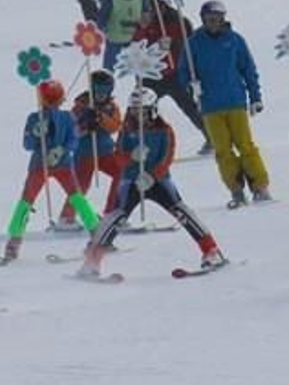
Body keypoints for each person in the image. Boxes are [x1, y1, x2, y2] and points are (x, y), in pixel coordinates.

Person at [77, 89, 227, 277]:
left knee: (181, 210)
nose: (139, 116)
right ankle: (92, 260)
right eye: (134, 111)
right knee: (116, 217)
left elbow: (167, 157)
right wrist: (131, 157)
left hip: (158, 180)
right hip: (132, 180)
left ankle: (211, 250)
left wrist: (154, 175)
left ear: (153, 110)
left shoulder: (164, 130)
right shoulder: (127, 130)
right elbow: (118, 155)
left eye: (143, 111)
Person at [0, 80, 100, 262]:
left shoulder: (66, 118)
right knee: (68, 199)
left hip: (60, 164)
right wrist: (38, 133)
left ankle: (14, 241)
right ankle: (97, 235)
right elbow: (29, 144)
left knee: (30, 201)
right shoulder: (36, 119)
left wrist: (60, 150)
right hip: (41, 164)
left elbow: (72, 141)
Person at [180, 0, 271, 206]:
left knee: (246, 146)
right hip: (210, 106)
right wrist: (190, 85)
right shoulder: (194, 42)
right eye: (209, 19)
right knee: (223, 150)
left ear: (223, 19)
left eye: (218, 18)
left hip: (235, 102)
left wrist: (255, 97)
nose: (214, 22)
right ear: (203, 19)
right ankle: (236, 190)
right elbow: (183, 71)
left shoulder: (235, 40)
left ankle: (260, 186)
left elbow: (248, 69)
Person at [130, 0, 211, 153]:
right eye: (151, 9)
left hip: (175, 74)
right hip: (151, 75)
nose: (154, 12)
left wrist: (173, 44)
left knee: (190, 107)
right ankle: (132, 142)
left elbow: (190, 45)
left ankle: (212, 138)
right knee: (139, 108)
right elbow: (136, 46)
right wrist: (142, 28)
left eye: (157, 8)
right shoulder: (144, 22)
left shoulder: (178, 21)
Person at [70, 72, 127, 218]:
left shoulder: (111, 107)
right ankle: (67, 216)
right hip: (84, 153)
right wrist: (85, 124)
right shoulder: (81, 105)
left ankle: (111, 211)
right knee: (81, 185)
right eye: (98, 89)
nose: (101, 94)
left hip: (105, 152)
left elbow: (115, 126)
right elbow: (72, 131)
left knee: (122, 172)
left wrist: (101, 118)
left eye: (105, 90)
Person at [101, 0, 148, 70]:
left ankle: (141, 85)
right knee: (108, 68)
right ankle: (105, 83)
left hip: (135, 38)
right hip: (115, 37)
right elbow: (103, 14)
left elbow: (146, 11)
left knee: (140, 67)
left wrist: (146, 20)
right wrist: (102, 26)